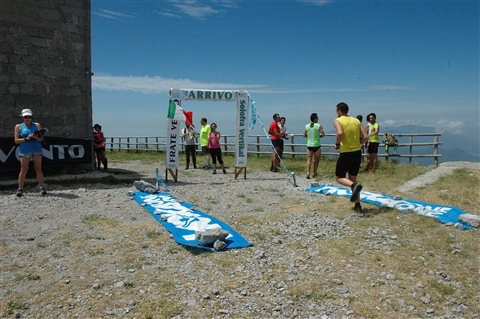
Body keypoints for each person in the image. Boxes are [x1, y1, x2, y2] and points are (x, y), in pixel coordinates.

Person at [333, 102, 368, 214]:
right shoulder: (356, 121)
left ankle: (354, 186)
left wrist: (338, 144)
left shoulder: (337, 120)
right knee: (353, 177)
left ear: (339, 111)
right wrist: (360, 143)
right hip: (357, 152)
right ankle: (357, 204)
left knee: (339, 177)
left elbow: (340, 133)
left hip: (346, 153)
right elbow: (366, 136)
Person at [14, 109, 47, 196]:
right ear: (22, 117)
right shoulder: (18, 126)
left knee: (38, 169)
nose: (27, 118)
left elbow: (41, 139)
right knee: (24, 169)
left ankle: (41, 186)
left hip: (36, 149)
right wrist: (26, 139)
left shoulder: (36, 125)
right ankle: (20, 188)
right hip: (25, 150)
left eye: (29, 117)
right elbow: (16, 140)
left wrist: (36, 137)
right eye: (25, 117)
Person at [303, 113, 325, 179]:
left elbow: (304, 135)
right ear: (315, 118)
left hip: (309, 144)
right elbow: (323, 134)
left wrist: (309, 137)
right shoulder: (319, 126)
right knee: (316, 160)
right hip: (316, 145)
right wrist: (319, 136)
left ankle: (308, 172)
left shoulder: (307, 126)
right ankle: (314, 172)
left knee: (309, 159)